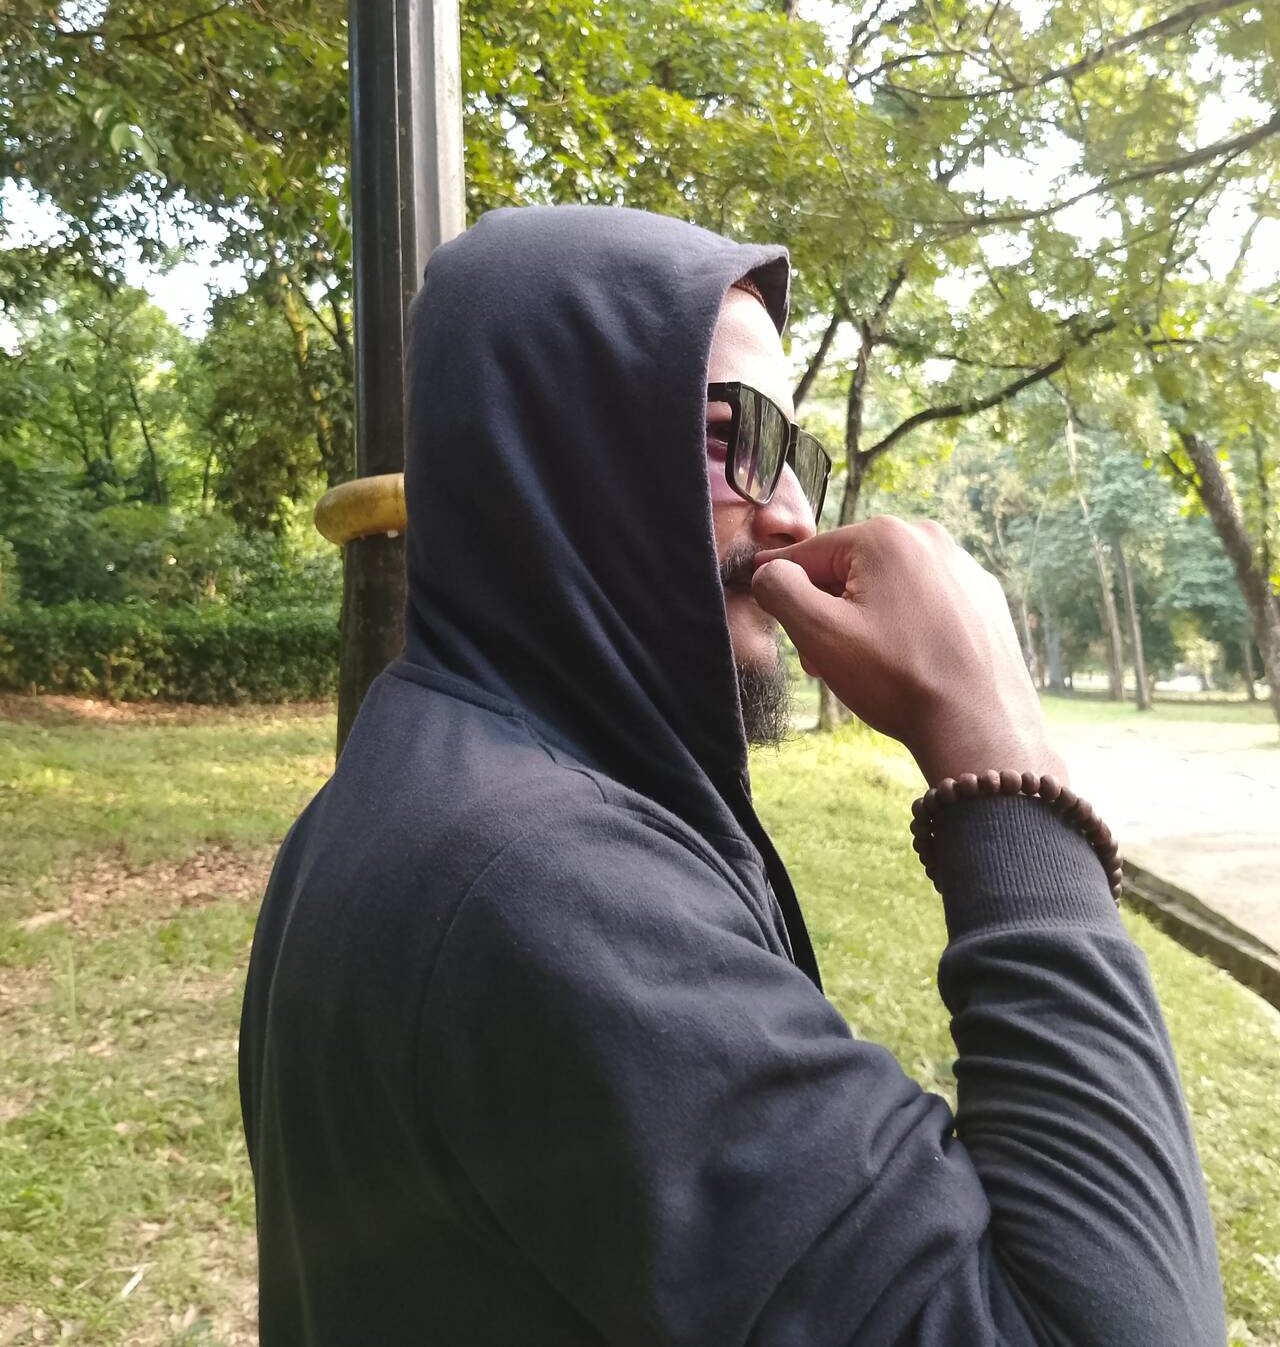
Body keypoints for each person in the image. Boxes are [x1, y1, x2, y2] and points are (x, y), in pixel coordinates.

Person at [239, 205, 1225, 1346]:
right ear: (543, 456)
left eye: (793, 452)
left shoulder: (423, 772)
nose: (791, 510)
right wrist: (1003, 759)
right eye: (728, 437)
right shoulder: (541, 883)